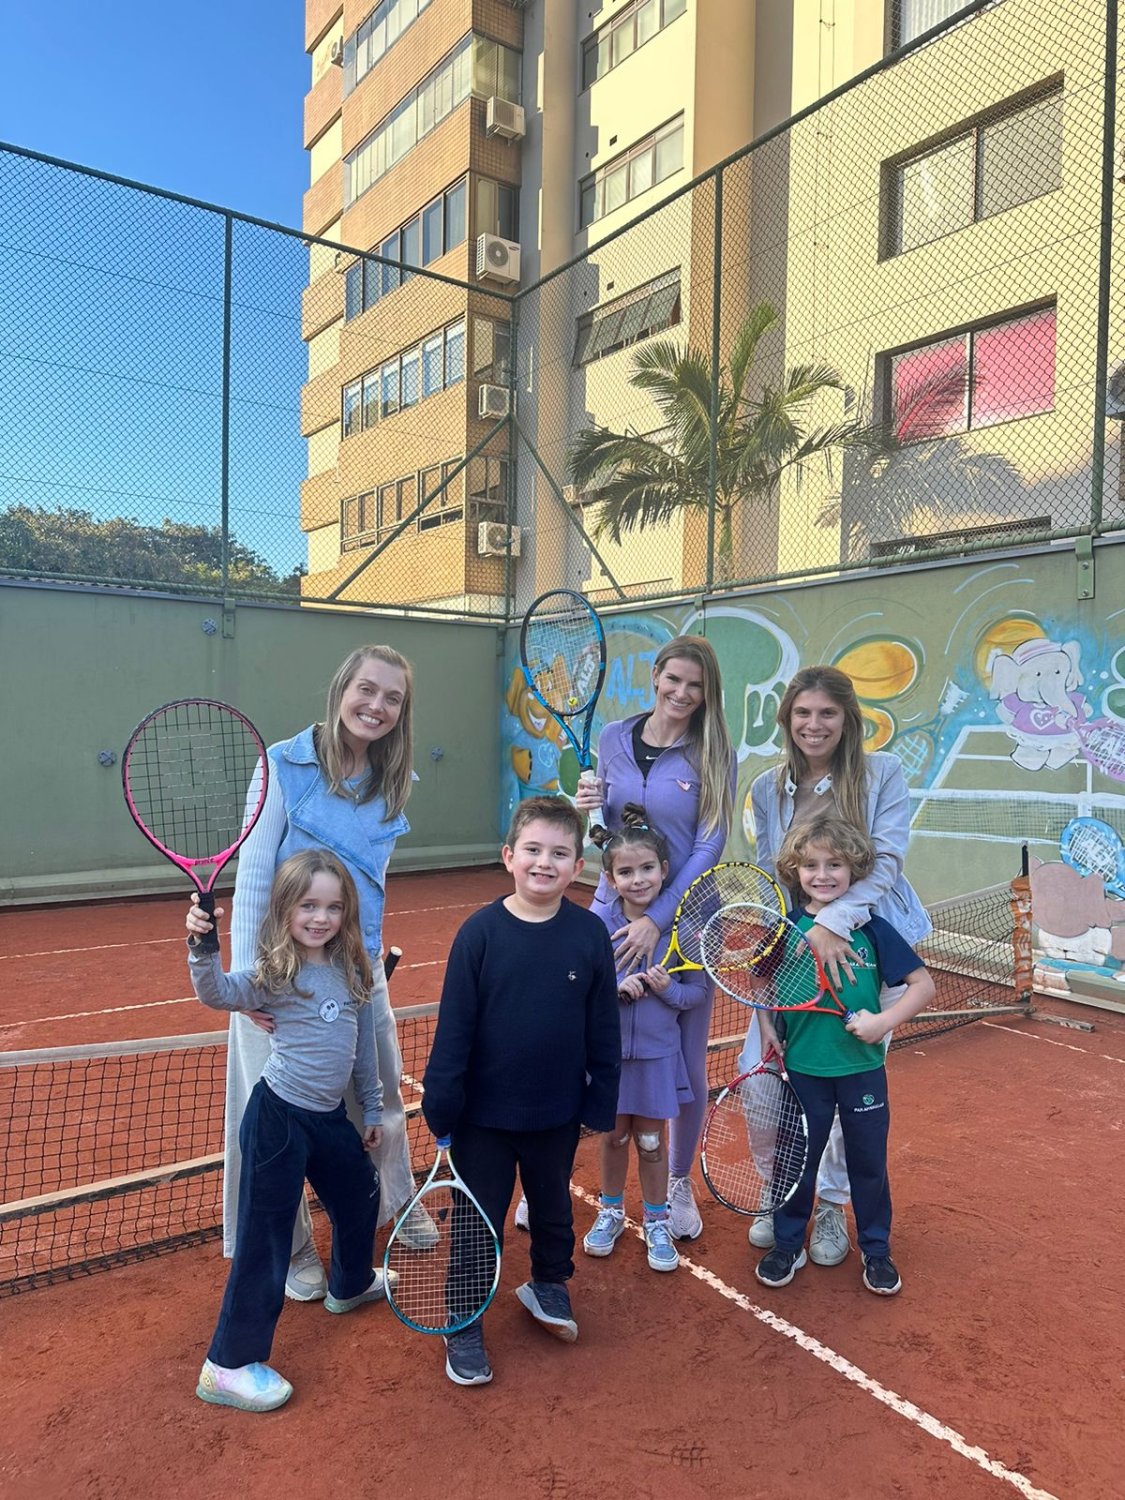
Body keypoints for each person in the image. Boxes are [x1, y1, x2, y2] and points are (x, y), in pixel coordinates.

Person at [225, 644, 435, 1304]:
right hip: (279, 974)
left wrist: (368, 965)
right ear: (341, 688)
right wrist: (247, 979)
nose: (376, 706)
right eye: (366, 689)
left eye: (392, 698)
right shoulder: (280, 765)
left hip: (357, 971)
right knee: (272, 1120)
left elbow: (371, 887)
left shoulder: (392, 782)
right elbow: (254, 878)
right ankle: (291, 1249)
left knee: (379, 1096)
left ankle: (395, 1203)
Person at [422, 796, 621, 1387]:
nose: (544, 863)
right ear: (509, 856)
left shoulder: (589, 934)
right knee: (477, 1220)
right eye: (532, 850)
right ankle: (465, 1316)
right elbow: (454, 1030)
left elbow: (603, 1028)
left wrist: (600, 1100)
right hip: (482, 1119)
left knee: (553, 1206)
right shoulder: (479, 934)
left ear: (578, 864)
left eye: (559, 853)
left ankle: (549, 1283)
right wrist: (442, 1104)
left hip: (556, 1113)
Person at [187, 850, 396, 1412]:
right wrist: (202, 944)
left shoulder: (353, 969)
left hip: (328, 1118)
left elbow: (362, 1048)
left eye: (333, 907)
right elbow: (216, 993)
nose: (320, 917)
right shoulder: (274, 972)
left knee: (360, 1195)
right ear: (284, 909)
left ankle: (350, 1284)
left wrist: (371, 1110)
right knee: (266, 1237)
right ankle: (228, 1365)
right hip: (277, 1120)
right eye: (308, 905)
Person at [746, 664, 932, 1267]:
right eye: (802, 713)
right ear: (787, 719)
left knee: (848, 1082)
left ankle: (830, 1205)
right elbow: (773, 873)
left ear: (848, 719)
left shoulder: (882, 772)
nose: (814, 724)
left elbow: (887, 861)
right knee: (765, 1086)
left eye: (827, 713)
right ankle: (783, 1196)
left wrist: (835, 922)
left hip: (863, 946)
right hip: (796, 947)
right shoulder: (767, 786)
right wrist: (785, 940)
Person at [574, 635, 736, 1242]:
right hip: (612, 911)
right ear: (656, 676)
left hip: (688, 921)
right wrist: (586, 808)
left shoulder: (715, 751)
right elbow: (606, 836)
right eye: (674, 679)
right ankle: (555, 1178)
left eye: (695, 685)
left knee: (683, 1061)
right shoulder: (613, 737)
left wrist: (658, 917)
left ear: (707, 692)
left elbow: (709, 844)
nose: (682, 693)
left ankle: (676, 1182)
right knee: (588, 1045)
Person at [750, 817, 935, 1295]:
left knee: (868, 1164)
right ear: (795, 872)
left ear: (854, 869)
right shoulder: (787, 929)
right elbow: (758, 978)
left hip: (863, 1070)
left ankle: (876, 1249)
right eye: (811, 865)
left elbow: (923, 985)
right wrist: (768, 1025)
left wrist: (882, 1023)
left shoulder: (874, 929)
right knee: (797, 1161)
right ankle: (788, 1243)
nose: (823, 874)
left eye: (834, 864)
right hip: (802, 1071)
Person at [582, 823, 711, 1274]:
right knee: (614, 1137)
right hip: (611, 1060)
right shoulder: (597, 926)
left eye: (647, 869)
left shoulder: (684, 930)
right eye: (626, 872)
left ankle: (657, 1221)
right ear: (609, 878)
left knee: (652, 1143)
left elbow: (697, 994)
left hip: (658, 1060)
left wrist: (667, 989)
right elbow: (581, 988)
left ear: (665, 870)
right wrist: (615, 990)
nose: (638, 880)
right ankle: (611, 1212)